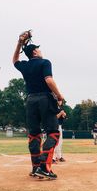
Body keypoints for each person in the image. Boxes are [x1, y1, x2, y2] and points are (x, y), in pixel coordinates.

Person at [12, 30, 64, 180]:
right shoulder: (45, 62)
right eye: (38, 48)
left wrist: (19, 43)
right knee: (53, 133)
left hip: (30, 100)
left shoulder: (25, 66)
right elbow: (49, 80)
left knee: (34, 134)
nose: (40, 50)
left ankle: (35, 168)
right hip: (45, 99)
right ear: (35, 52)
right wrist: (59, 95)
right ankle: (44, 167)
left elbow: (14, 60)